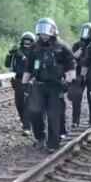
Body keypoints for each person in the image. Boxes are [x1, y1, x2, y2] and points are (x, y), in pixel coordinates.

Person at [23, 18, 76, 153]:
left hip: (56, 86)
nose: (43, 35)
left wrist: (70, 83)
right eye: (41, 33)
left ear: (53, 31)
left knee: (54, 115)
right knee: (34, 112)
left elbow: (70, 66)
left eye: (46, 33)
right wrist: (24, 84)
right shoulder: (35, 48)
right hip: (39, 85)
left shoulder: (62, 47)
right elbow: (28, 68)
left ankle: (53, 142)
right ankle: (40, 136)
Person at [5, 32, 36, 136]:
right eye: (25, 41)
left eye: (29, 42)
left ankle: (27, 126)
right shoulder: (17, 51)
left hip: (31, 79)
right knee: (19, 103)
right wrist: (10, 54)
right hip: (18, 79)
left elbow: (33, 64)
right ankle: (24, 122)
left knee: (28, 102)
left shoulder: (35, 51)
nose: (27, 44)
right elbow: (7, 64)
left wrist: (23, 57)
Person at [69, 22, 91, 129]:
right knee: (76, 97)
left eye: (89, 32)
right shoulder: (77, 44)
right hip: (79, 73)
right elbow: (72, 58)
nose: (86, 34)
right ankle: (75, 121)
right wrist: (80, 50)